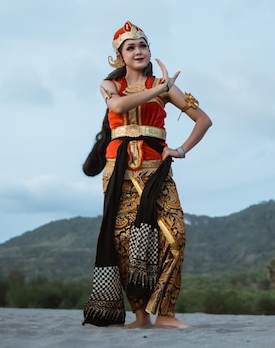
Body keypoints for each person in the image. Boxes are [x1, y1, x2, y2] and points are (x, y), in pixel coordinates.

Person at [82, 21, 212, 328]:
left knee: (175, 236)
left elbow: (203, 120)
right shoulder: (110, 85)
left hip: (157, 170)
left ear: (150, 50)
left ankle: (164, 313)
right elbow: (118, 105)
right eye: (130, 47)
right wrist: (158, 90)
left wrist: (180, 150)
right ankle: (140, 316)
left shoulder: (165, 87)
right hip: (120, 171)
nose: (138, 51)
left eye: (143, 45)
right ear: (119, 57)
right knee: (126, 241)